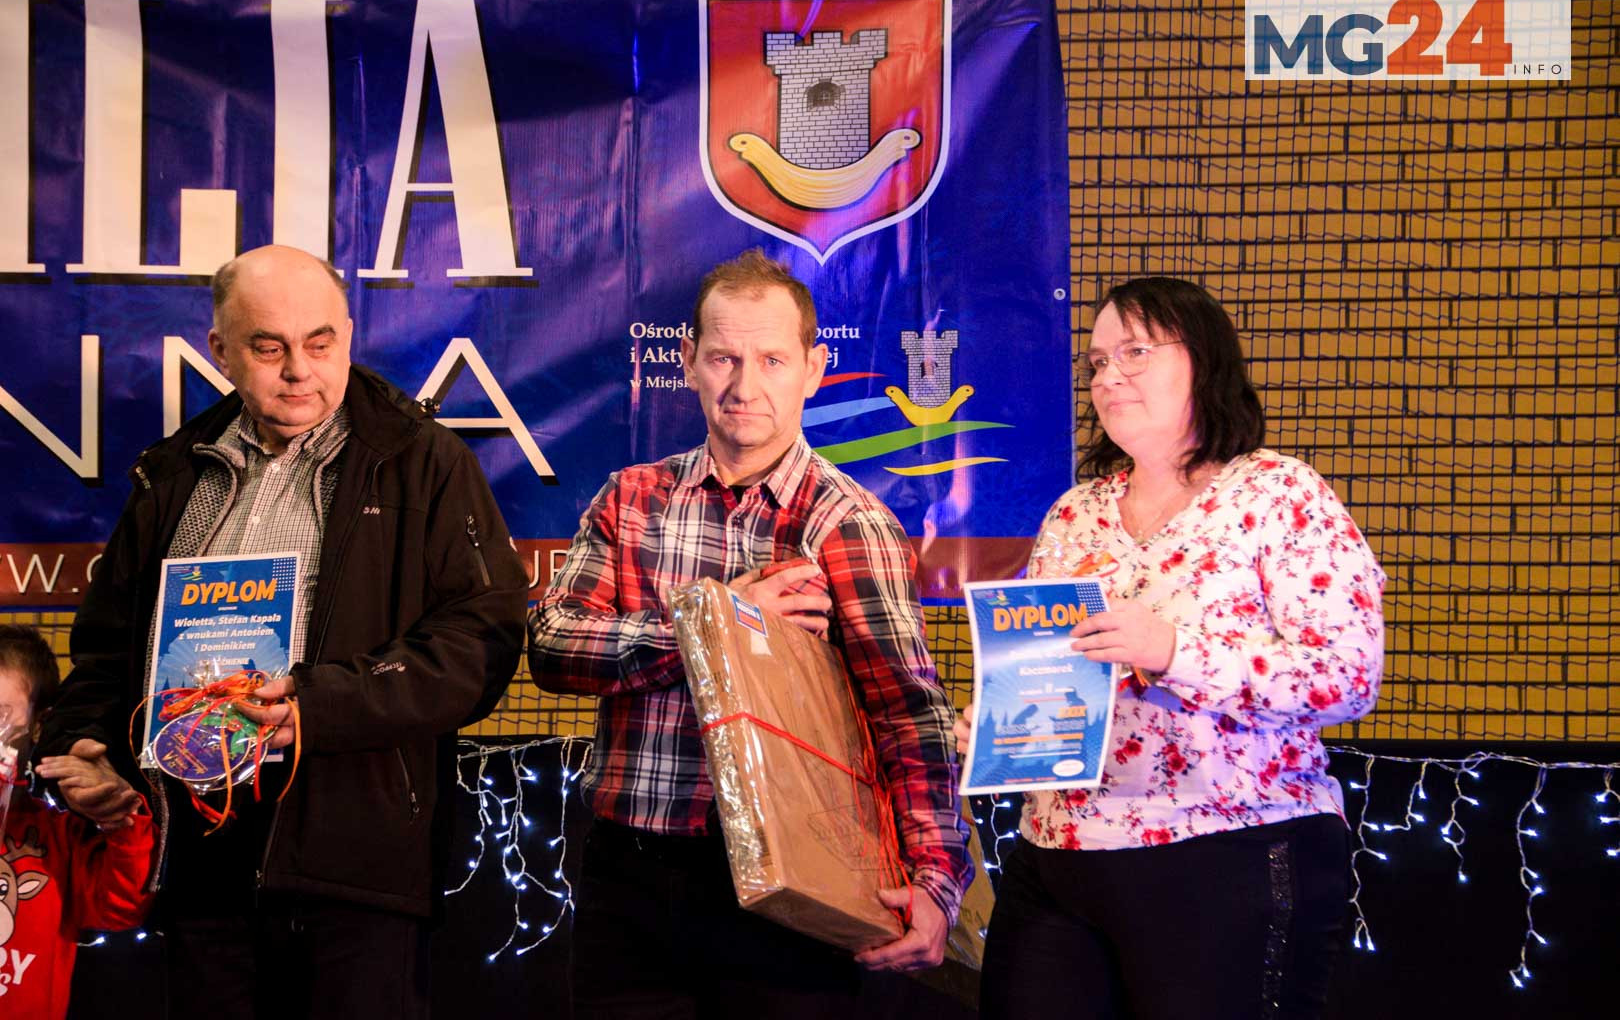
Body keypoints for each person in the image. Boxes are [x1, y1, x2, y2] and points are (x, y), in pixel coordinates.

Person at [34, 245, 527, 1020]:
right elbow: (107, 649)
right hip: (200, 866)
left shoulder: (423, 463)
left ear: (349, 336)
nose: (299, 370)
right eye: (269, 348)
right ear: (220, 350)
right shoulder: (172, 473)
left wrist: (317, 707)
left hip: (356, 870)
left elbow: (481, 641)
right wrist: (92, 746)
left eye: (320, 343)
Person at [529, 248, 970, 1018]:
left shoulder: (849, 523)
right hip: (630, 879)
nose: (745, 386)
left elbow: (908, 712)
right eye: (724, 358)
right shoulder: (632, 499)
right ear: (688, 362)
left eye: (771, 360)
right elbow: (554, 647)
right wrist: (716, 622)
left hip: (801, 884)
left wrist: (937, 878)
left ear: (813, 368)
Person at [962, 277, 1384, 1020]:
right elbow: (1055, 673)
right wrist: (1005, 725)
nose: (1108, 376)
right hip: (1057, 857)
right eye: (1098, 361)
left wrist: (1173, 650)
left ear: (1204, 362)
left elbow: (1346, 678)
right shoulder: (1075, 513)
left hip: (1228, 850)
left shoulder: (1278, 494)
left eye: (1135, 352)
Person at [0, 625, 153, 1019]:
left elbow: (119, 908)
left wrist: (120, 821)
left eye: (0, 715)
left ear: (38, 724)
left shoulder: (58, 831)